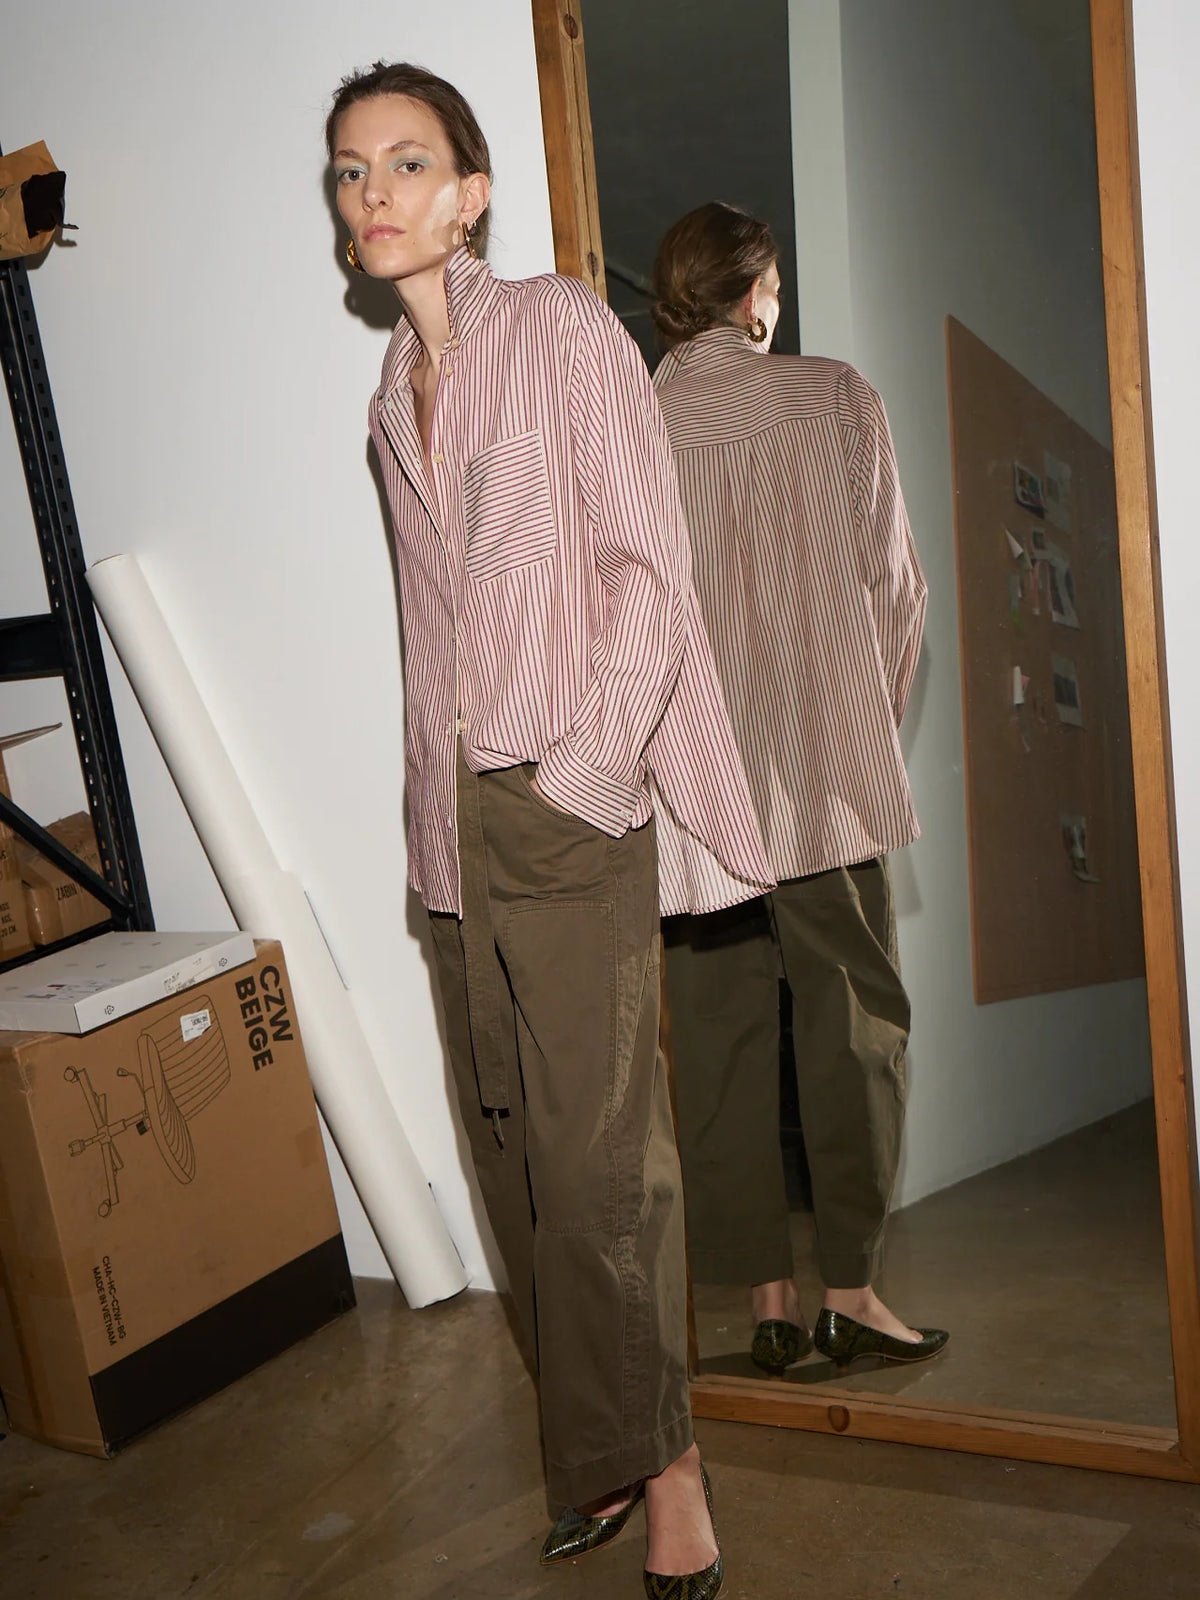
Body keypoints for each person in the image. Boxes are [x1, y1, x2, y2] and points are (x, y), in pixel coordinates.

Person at [327, 65, 772, 1596]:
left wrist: (584, 774)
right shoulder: (392, 399)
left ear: (472, 193)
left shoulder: (566, 330)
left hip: (564, 806)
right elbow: (426, 635)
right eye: (349, 172)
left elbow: (649, 565)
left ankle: (673, 1471)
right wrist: (429, 810)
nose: (373, 193)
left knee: (599, 1168)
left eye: (406, 163)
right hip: (452, 834)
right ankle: (592, 1449)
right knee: (511, 1155)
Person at [650, 202, 948, 1378]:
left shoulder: (630, 423)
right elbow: (896, 594)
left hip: (688, 800)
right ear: (757, 291)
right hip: (824, 782)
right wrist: (853, 725)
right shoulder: (833, 399)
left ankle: (767, 1306)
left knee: (718, 1047)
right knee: (854, 1030)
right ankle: (851, 1294)